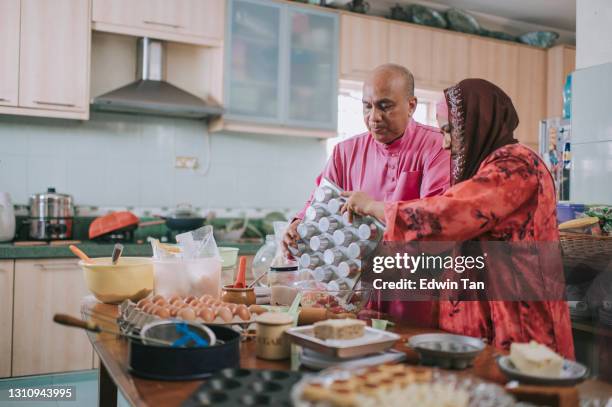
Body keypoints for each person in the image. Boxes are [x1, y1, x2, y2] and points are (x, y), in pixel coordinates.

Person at [341, 78, 574, 358]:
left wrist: (374, 207)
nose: (446, 143)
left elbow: (451, 214)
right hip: (487, 323)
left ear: (477, 123)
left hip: (521, 323)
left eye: (451, 131)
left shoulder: (518, 166)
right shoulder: (488, 167)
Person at [284, 64, 450, 326]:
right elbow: (317, 203)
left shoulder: (436, 147)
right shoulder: (345, 152)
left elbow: (436, 220)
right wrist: (297, 225)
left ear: (411, 105)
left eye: (385, 106)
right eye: (367, 106)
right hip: (353, 293)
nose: (373, 116)